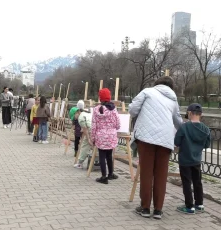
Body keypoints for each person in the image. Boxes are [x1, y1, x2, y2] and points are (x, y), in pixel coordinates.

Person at [129, 76, 183, 219]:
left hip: (146, 138)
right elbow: (178, 120)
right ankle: (158, 210)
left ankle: (145, 208)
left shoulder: (147, 92)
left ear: (157, 84)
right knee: (161, 174)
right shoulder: (173, 99)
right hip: (166, 140)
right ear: (171, 87)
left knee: (147, 173)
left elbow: (133, 110)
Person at [174, 103, 210, 214]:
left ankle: (189, 206)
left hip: (185, 160)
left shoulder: (184, 127)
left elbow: (177, 142)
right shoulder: (206, 129)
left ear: (189, 113)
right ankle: (199, 204)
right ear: (201, 114)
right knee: (197, 182)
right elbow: (207, 145)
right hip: (197, 160)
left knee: (186, 182)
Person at [90, 88, 121, 184]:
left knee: (102, 156)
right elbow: (118, 124)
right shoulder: (113, 109)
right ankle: (111, 173)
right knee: (109, 155)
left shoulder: (96, 110)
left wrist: (93, 138)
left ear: (100, 99)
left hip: (100, 136)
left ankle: (104, 176)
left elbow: (93, 125)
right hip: (111, 136)